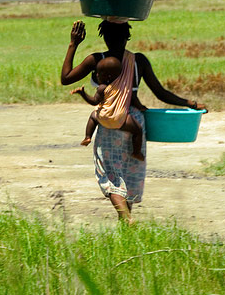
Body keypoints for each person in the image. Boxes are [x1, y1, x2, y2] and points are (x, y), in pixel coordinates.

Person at [61, 20, 207, 224]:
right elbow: (160, 92)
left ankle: (125, 217)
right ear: (127, 36)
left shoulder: (96, 60)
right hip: (134, 121)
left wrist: (73, 44)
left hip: (109, 122)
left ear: (104, 36)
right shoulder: (138, 61)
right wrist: (191, 103)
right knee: (128, 173)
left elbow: (66, 78)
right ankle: (126, 223)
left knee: (111, 173)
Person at [70, 56, 146, 161]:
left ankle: (88, 136)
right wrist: (141, 107)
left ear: (107, 76)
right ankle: (136, 152)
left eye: (99, 73)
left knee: (93, 116)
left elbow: (94, 101)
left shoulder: (102, 88)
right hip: (121, 119)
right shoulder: (124, 86)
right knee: (138, 130)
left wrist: (83, 94)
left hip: (102, 117)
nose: (96, 75)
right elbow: (133, 98)